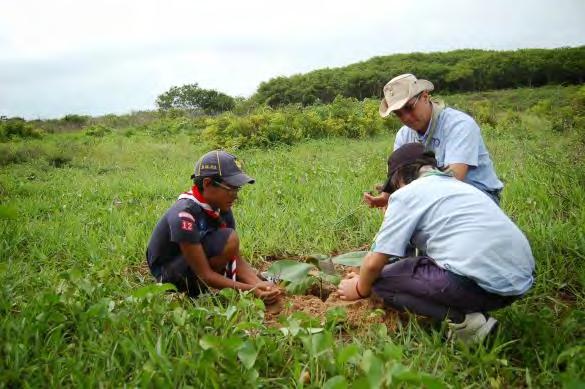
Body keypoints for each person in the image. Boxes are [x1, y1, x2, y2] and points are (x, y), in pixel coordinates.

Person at [340, 143, 534, 344]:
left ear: (399, 177)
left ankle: (467, 322)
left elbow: (373, 263)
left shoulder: (405, 195)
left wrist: (360, 286)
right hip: (518, 284)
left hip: (480, 288)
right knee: (410, 266)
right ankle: (470, 308)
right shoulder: (460, 186)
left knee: (380, 282)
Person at [146, 150, 280, 304]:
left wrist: (257, 283)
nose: (235, 195)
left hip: (192, 264)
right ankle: (193, 291)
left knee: (230, 240)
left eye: (237, 189)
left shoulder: (220, 208)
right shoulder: (184, 215)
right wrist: (249, 289)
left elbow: (234, 256)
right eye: (231, 188)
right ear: (207, 183)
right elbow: (205, 274)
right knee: (230, 238)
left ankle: (215, 286)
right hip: (170, 275)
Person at [363, 73, 504, 207]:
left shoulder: (458, 124)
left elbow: (454, 179)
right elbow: (398, 177)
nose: (405, 118)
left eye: (409, 107)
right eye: (398, 114)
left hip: (477, 196)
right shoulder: (404, 135)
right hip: (433, 198)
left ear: (425, 96)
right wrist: (387, 197)